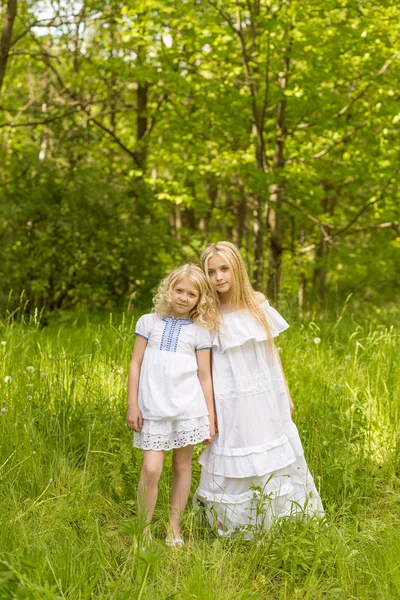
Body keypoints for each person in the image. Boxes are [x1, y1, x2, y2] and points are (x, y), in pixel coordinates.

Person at [193, 242, 324, 537]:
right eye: (211, 271)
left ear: (237, 268)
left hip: (265, 391)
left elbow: (271, 352)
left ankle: (280, 518)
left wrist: (286, 393)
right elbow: (205, 370)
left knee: (271, 445)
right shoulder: (207, 313)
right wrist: (209, 412)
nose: (218, 277)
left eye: (224, 269)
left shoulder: (257, 303)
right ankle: (236, 523)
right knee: (236, 445)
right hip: (229, 396)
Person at [127, 264, 219, 546]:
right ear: (169, 290)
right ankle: (142, 530)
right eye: (179, 290)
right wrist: (132, 404)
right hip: (153, 408)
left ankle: (174, 529)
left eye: (191, 294)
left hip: (187, 409)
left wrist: (210, 418)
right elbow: (136, 364)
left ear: (200, 299)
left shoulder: (201, 331)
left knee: (182, 466)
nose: (183, 297)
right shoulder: (148, 322)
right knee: (152, 468)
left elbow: (205, 376)